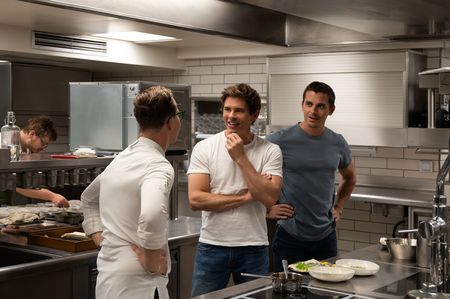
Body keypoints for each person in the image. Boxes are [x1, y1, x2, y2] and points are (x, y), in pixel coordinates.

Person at [81, 86, 182, 299]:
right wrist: (152, 261)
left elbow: (88, 198)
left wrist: (100, 238)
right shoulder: (158, 165)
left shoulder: (123, 158)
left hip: (109, 279)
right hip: (141, 285)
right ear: (170, 122)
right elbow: (152, 214)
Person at [188, 83, 283, 297]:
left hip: (254, 247)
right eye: (227, 109)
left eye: (238, 110)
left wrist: (240, 157)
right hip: (212, 245)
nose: (231, 116)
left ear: (254, 115)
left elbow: (269, 198)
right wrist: (249, 196)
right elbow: (196, 200)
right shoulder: (205, 148)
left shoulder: (270, 151)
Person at [265, 81, 357, 271]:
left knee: (325, 291)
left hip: (326, 236)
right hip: (289, 236)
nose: (313, 111)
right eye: (309, 104)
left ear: (331, 109)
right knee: (287, 293)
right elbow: (251, 174)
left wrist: (338, 206)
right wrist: (267, 209)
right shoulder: (279, 140)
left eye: (320, 106)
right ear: (302, 105)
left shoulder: (338, 142)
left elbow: (350, 177)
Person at [0, 115, 69, 207]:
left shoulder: (27, 149)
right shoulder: (5, 143)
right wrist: (52, 196)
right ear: (32, 134)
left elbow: (22, 183)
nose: (43, 148)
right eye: (43, 143)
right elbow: (12, 182)